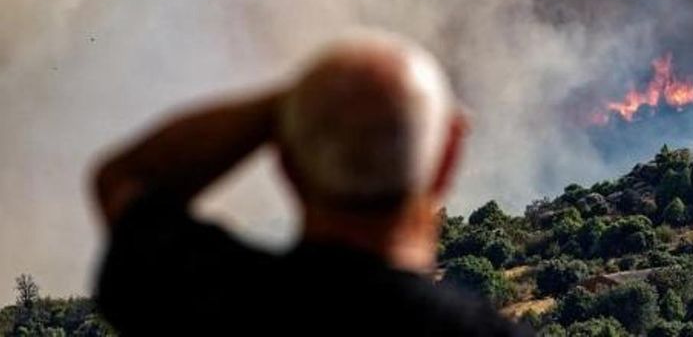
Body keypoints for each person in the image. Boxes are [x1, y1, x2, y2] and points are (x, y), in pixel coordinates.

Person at [92, 32, 533, 336]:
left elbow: (125, 179)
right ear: (448, 159)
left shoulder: (210, 299)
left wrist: (306, 106)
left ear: (285, 161)